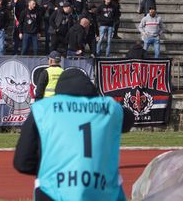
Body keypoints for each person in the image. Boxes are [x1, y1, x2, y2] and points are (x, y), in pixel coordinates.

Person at [14, 68, 133, 201]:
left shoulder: (43, 109)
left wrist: (52, 169)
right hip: (103, 190)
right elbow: (129, 119)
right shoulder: (110, 108)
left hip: (53, 192)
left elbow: (22, 163)